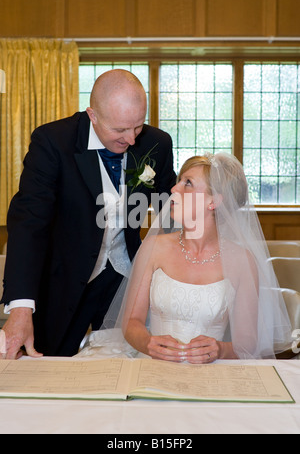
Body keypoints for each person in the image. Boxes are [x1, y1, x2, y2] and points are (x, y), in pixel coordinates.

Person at [0, 69, 176, 359]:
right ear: (93, 115)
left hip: (126, 279)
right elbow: (29, 223)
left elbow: (169, 210)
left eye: (137, 126)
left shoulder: (156, 143)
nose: (131, 140)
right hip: (63, 280)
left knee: (127, 367)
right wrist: (20, 306)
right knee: (49, 366)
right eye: (119, 130)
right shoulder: (53, 142)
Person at [78, 152, 292, 362]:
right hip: (153, 365)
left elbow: (248, 344)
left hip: (212, 372)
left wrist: (219, 349)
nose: (173, 189)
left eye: (187, 183)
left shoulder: (242, 261)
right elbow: (132, 322)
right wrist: (148, 344)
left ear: (214, 201)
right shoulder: (153, 247)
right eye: (179, 181)